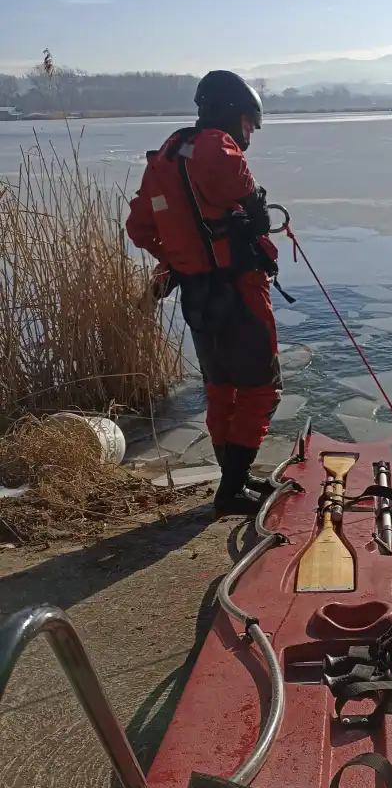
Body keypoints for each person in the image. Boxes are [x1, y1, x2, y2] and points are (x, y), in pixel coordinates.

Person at [126, 70, 283, 518]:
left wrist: (181, 256)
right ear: (233, 113)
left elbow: (139, 227)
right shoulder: (217, 145)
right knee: (261, 388)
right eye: (249, 122)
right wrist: (251, 216)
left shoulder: (167, 154)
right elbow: (243, 190)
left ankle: (235, 478)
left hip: (197, 294)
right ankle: (232, 489)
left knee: (221, 387)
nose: (250, 133)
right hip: (239, 291)